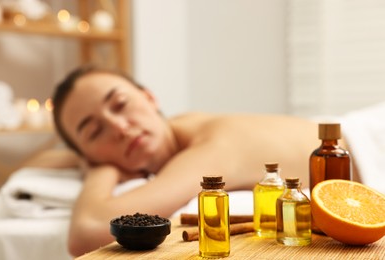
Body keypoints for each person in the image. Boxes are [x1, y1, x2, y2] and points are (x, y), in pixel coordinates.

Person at [42, 65, 357, 256]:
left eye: (121, 104)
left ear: (150, 97)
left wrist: (99, 169)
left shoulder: (211, 148)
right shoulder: (181, 129)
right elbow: (43, 158)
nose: (121, 129)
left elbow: (88, 231)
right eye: (95, 132)